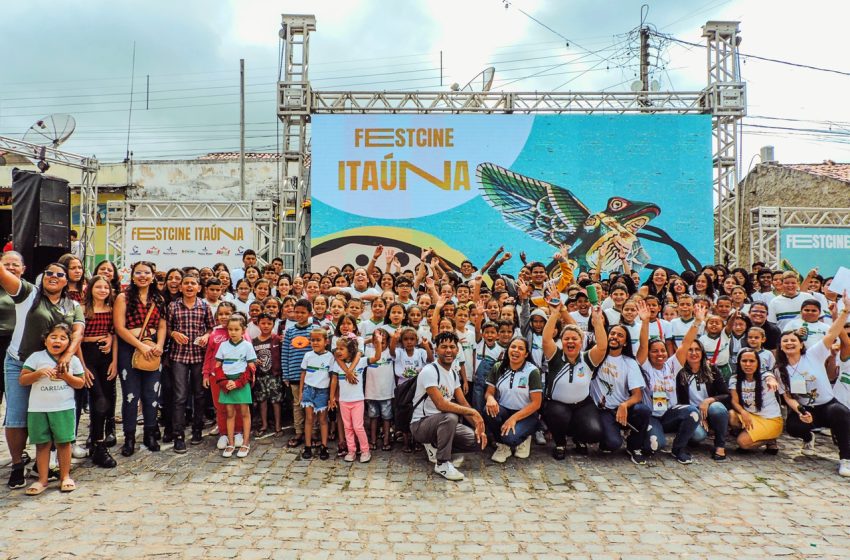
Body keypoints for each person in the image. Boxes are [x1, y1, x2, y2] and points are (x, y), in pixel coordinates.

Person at [1, 258, 84, 490]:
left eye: (59, 274)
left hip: (56, 367)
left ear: (67, 281)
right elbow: (4, 275)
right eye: (49, 273)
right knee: (17, 417)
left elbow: (78, 333)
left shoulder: (72, 305)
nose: (53, 277)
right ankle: (18, 466)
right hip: (20, 362)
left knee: (52, 414)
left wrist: (67, 357)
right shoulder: (28, 293)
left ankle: (46, 465)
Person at [778, 292, 850, 476]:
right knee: (793, 427)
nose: (789, 343)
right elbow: (787, 397)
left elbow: (832, 332)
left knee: (841, 413)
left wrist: (844, 312)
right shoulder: (781, 369)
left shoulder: (813, 354)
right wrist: (800, 412)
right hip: (806, 410)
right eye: (785, 341)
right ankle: (808, 436)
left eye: (793, 340)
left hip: (827, 405)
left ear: (801, 345)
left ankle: (845, 459)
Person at [409, 332, 487, 481]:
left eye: (452, 347)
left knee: (477, 442)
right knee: (451, 416)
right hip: (421, 424)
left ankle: (436, 446)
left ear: (458, 350)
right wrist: (473, 412)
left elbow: (463, 403)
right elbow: (441, 404)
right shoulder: (430, 371)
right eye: (444, 347)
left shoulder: (453, 373)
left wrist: (479, 426)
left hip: (443, 424)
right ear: (436, 350)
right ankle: (443, 463)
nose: (449, 350)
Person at [18, 323, 85, 495]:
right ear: (45, 340)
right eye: (53, 337)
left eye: (63, 338)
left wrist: (66, 376)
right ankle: (42, 479)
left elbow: (80, 383)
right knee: (42, 444)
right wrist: (38, 373)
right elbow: (23, 380)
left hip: (63, 408)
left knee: (64, 443)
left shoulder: (73, 360)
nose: (57, 341)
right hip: (38, 409)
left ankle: (65, 476)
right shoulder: (36, 358)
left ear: (69, 343)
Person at [638, 299, 704, 464]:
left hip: (669, 413)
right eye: (655, 352)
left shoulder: (672, 365)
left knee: (693, 412)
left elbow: (686, 344)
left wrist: (697, 322)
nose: (659, 354)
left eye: (662, 351)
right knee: (654, 446)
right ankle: (641, 438)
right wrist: (645, 322)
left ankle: (678, 449)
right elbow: (643, 345)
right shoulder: (644, 365)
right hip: (652, 415)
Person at [113, 261, 165, 457]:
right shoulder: (123, 297)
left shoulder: (158, 299)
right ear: (132, 276)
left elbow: (162, 326)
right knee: (131, 396)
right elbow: (119, 327)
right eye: (138, 273)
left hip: (152, 349)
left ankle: (150, 434)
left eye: (147, 273)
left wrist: (159, 345)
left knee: (151, 395)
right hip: (130, 348)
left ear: (153, 276)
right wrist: (140, 345)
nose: (142, 276)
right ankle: (129, 437)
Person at [165, 274, 215, 453]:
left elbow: (211, 327)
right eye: (185, 283)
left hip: (199, 356)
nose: (189, 286)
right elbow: (167, 327)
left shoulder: (204, 306)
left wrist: (206, 335)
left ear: (199, 288)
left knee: (199, 394)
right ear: (180, 287)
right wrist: (173, 334)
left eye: (193, 283)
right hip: (178, 356)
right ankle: (178, 435)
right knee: (180, 396)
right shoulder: (173, 306)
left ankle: (197, 429)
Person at [78, 275, 118, 468]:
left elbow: (116, 334)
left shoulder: (111, 310)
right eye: (98, 287)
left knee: (105, 402)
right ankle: (99, 445)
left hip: (106, 358)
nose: (102, 290)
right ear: (90, 289)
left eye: (106, 287)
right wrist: (83, 366)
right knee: (99, 399)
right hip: (88, 358)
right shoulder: (83, 309)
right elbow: (76, 339)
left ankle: (95, 442)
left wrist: (115, 362)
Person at [484, 337, 543, 463]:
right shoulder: (498, 367)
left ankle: (525, 437)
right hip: (504, 410)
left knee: (510, 438)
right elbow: (489, 392)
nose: (516, 350)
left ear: (526, 354)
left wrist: (514, 419)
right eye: (513, 347)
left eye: (521, 348)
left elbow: (536, 403)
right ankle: (503, 446)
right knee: (488, 410)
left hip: (526, 414)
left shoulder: (532, 371)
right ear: (508, 349)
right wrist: (490, 399)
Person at [675, 338, 731, 460]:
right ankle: (692, 437)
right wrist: (698, 415)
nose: (694, 353)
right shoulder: (680, 372)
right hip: (692, 412)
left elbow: (726, 395)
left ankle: (720, 445)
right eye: (690, 350)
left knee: (718, 408)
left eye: (697, 349)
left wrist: (708, 400)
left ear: (702, 352)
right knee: (698, 436)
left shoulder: (712, 369)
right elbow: (680, 401)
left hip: (710, 409)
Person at [214, 315, 256, 458]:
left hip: (241, 382)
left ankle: (245, 442)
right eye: (230, 329)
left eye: (236, 329)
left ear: (243, 330)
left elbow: (251, 367)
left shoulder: (247, 346)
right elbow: (217, 366)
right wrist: (225, 382)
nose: (233, 332)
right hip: (227, 384)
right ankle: (231, 443)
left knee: (245, 413)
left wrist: (238, 382)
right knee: (230, 413)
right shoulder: (223, 345)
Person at [728, 349, 782, 454]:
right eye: (744, 361)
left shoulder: (765, 375)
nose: (748, 364)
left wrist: (772, 380)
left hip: (770, 419)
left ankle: (771, 439)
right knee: (731, 415)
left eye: (752, 361)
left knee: (743, 443)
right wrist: (743, 412)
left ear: (758, 363)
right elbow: (735, 401)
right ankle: (751, 433)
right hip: (751, 416)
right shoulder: (734, 379)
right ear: (739, 363)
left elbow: (770, 377)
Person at [281, 299, 318, 448]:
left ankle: (314, 431)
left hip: (313, 376)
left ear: (310, 314)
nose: (299, 315)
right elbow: (285, 354)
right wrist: (286, 374)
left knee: (313, 404)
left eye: (303, 312)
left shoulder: (314, 330)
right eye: (297, 312)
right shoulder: (290, 331)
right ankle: (299, 431)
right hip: (295, 374)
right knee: (297, 404)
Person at [298, 328, 335, 460]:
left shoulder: (330, 357)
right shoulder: (308, 355)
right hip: (309, 390)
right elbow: (303, 374)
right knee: (309, 419)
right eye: (313, 340)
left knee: (323, 420)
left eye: (318, 340)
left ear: (326, 341)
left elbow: (332, 378)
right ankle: (308, 446)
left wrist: (332, 396)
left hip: (323, 392)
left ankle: (324, 446)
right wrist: (301, 391)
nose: (315, 343)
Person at [251, 313, 283, 438]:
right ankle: (264, 424)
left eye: (269, 323)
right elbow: (250, 357)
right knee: (262, 401)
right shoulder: (254, 342)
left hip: (274, 376)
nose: (266, 326)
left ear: (273, 325)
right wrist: (254, 361)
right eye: (263, 323)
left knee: (276, 401)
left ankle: (278, 425)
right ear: (258, 324)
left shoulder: (276, 339)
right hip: (260, 376)